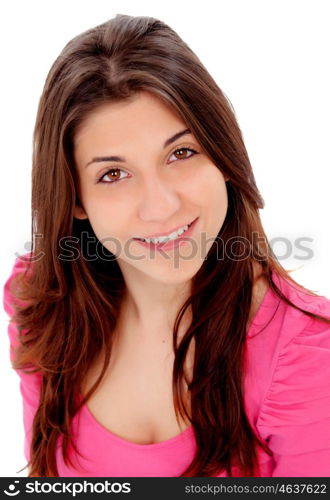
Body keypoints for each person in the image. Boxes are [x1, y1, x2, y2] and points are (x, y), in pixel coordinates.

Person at [3, 14, 330, 478]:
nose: (160, 207)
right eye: (112, 174)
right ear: (76, 198)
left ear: (222, 154)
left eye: (181, 152)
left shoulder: (309, 357)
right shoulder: (42, 306)